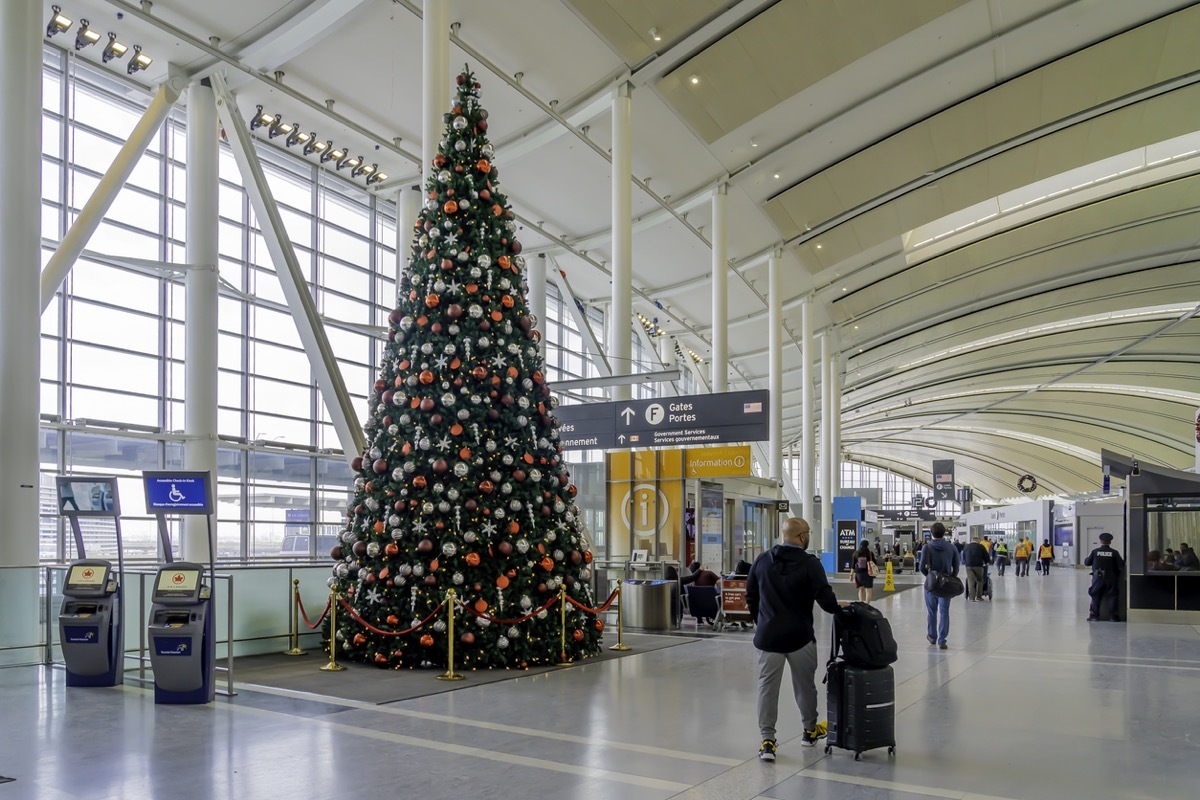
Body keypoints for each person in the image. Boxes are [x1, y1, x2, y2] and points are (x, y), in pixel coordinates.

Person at [746, 517, 843, 762]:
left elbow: (750, 595)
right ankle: (809, 732)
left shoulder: (762, 560)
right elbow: (826, 600)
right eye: (808, 533)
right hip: (800, 637)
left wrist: (763, 621)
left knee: (767, 689)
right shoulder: (810, 564)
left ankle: (767, 742)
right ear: (802, 537)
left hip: (768, 638)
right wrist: (840, 608)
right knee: (805, 687)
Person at [918, 522, 960, 649]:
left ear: (931, 533)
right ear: (945, 533)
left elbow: (921, 567)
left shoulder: (927, 547)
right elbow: (956, 567)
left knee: (932, 612)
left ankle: (932, 636)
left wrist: (930, 577)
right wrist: (950, 577)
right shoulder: (952, 547)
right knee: (944, 612)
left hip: (931, 584)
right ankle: (942, 640)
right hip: (946, 583)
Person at [1084, 532, 1125, 621]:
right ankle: (1113, 617)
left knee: (1095, 595)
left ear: (1100, 541)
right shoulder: (1114, 552)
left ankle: (1094, 616)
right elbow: (1121, 564)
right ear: (1110, 542)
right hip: (1111, 577)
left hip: (1097, 577)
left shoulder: (1095, 552)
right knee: (1112, 595)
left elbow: (1087, 562)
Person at [962, 536, 990, 601]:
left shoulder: (966, 546)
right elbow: (986, 556)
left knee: (970, 581)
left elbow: (963, 556)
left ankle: (971, 598)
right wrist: (986, 562)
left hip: (969, 566)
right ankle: (979, 597)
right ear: (977, 540)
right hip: (978, 566)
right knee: (980, 580)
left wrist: (966, 562)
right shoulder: (981, 546)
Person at [853, 539, 875, 604]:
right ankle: (867, 605)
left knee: (861, 589)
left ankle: (861, 603)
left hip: (859, 573)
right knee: (868, 590)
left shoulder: (856, 553)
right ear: (867, 545)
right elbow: (874, 562)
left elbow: (853, 565)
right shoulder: (870, 553)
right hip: (868, 573)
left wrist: (851, 574)